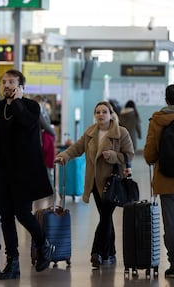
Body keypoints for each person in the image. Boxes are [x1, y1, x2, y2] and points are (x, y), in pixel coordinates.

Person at [0, 69, 55, 280]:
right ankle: (12, 262)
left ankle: (43, 243)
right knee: (5, 217)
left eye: (11, 82)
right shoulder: (0, 108)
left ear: (20, 85)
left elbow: (26, 123)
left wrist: (17, 101)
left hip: (23, 173)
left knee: (23, 214)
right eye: (4, 82)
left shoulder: (32, 107)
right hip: (2, 172)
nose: (6, 85)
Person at [54, 101, 134, 268]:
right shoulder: (90, 132)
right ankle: (110, 253)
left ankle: (97, 252)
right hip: (95, 183)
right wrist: (64, 156)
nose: (100, 115)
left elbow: (129, 155)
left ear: (111, 114)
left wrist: (113, 156)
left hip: (112, 183)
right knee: (106, 217)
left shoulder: (121, 132)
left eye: (104, 112)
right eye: (97, 112)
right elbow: (77, 148)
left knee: (105, 216)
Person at [143, 84, 174, 278]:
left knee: (172, 224)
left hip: (167, 180)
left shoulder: (158, 120)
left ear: (166, 100)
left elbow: (149, 155)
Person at [33, 95, 56, 185]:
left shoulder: (41, 111)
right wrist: (54, 133)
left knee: (44, 165)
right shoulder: (36, 112)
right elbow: (46, 125)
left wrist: (44, 110)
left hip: (40, 142)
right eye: (42, 103)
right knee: (42, 165)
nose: (43, 105)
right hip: (38, 142)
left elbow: (48, 122)